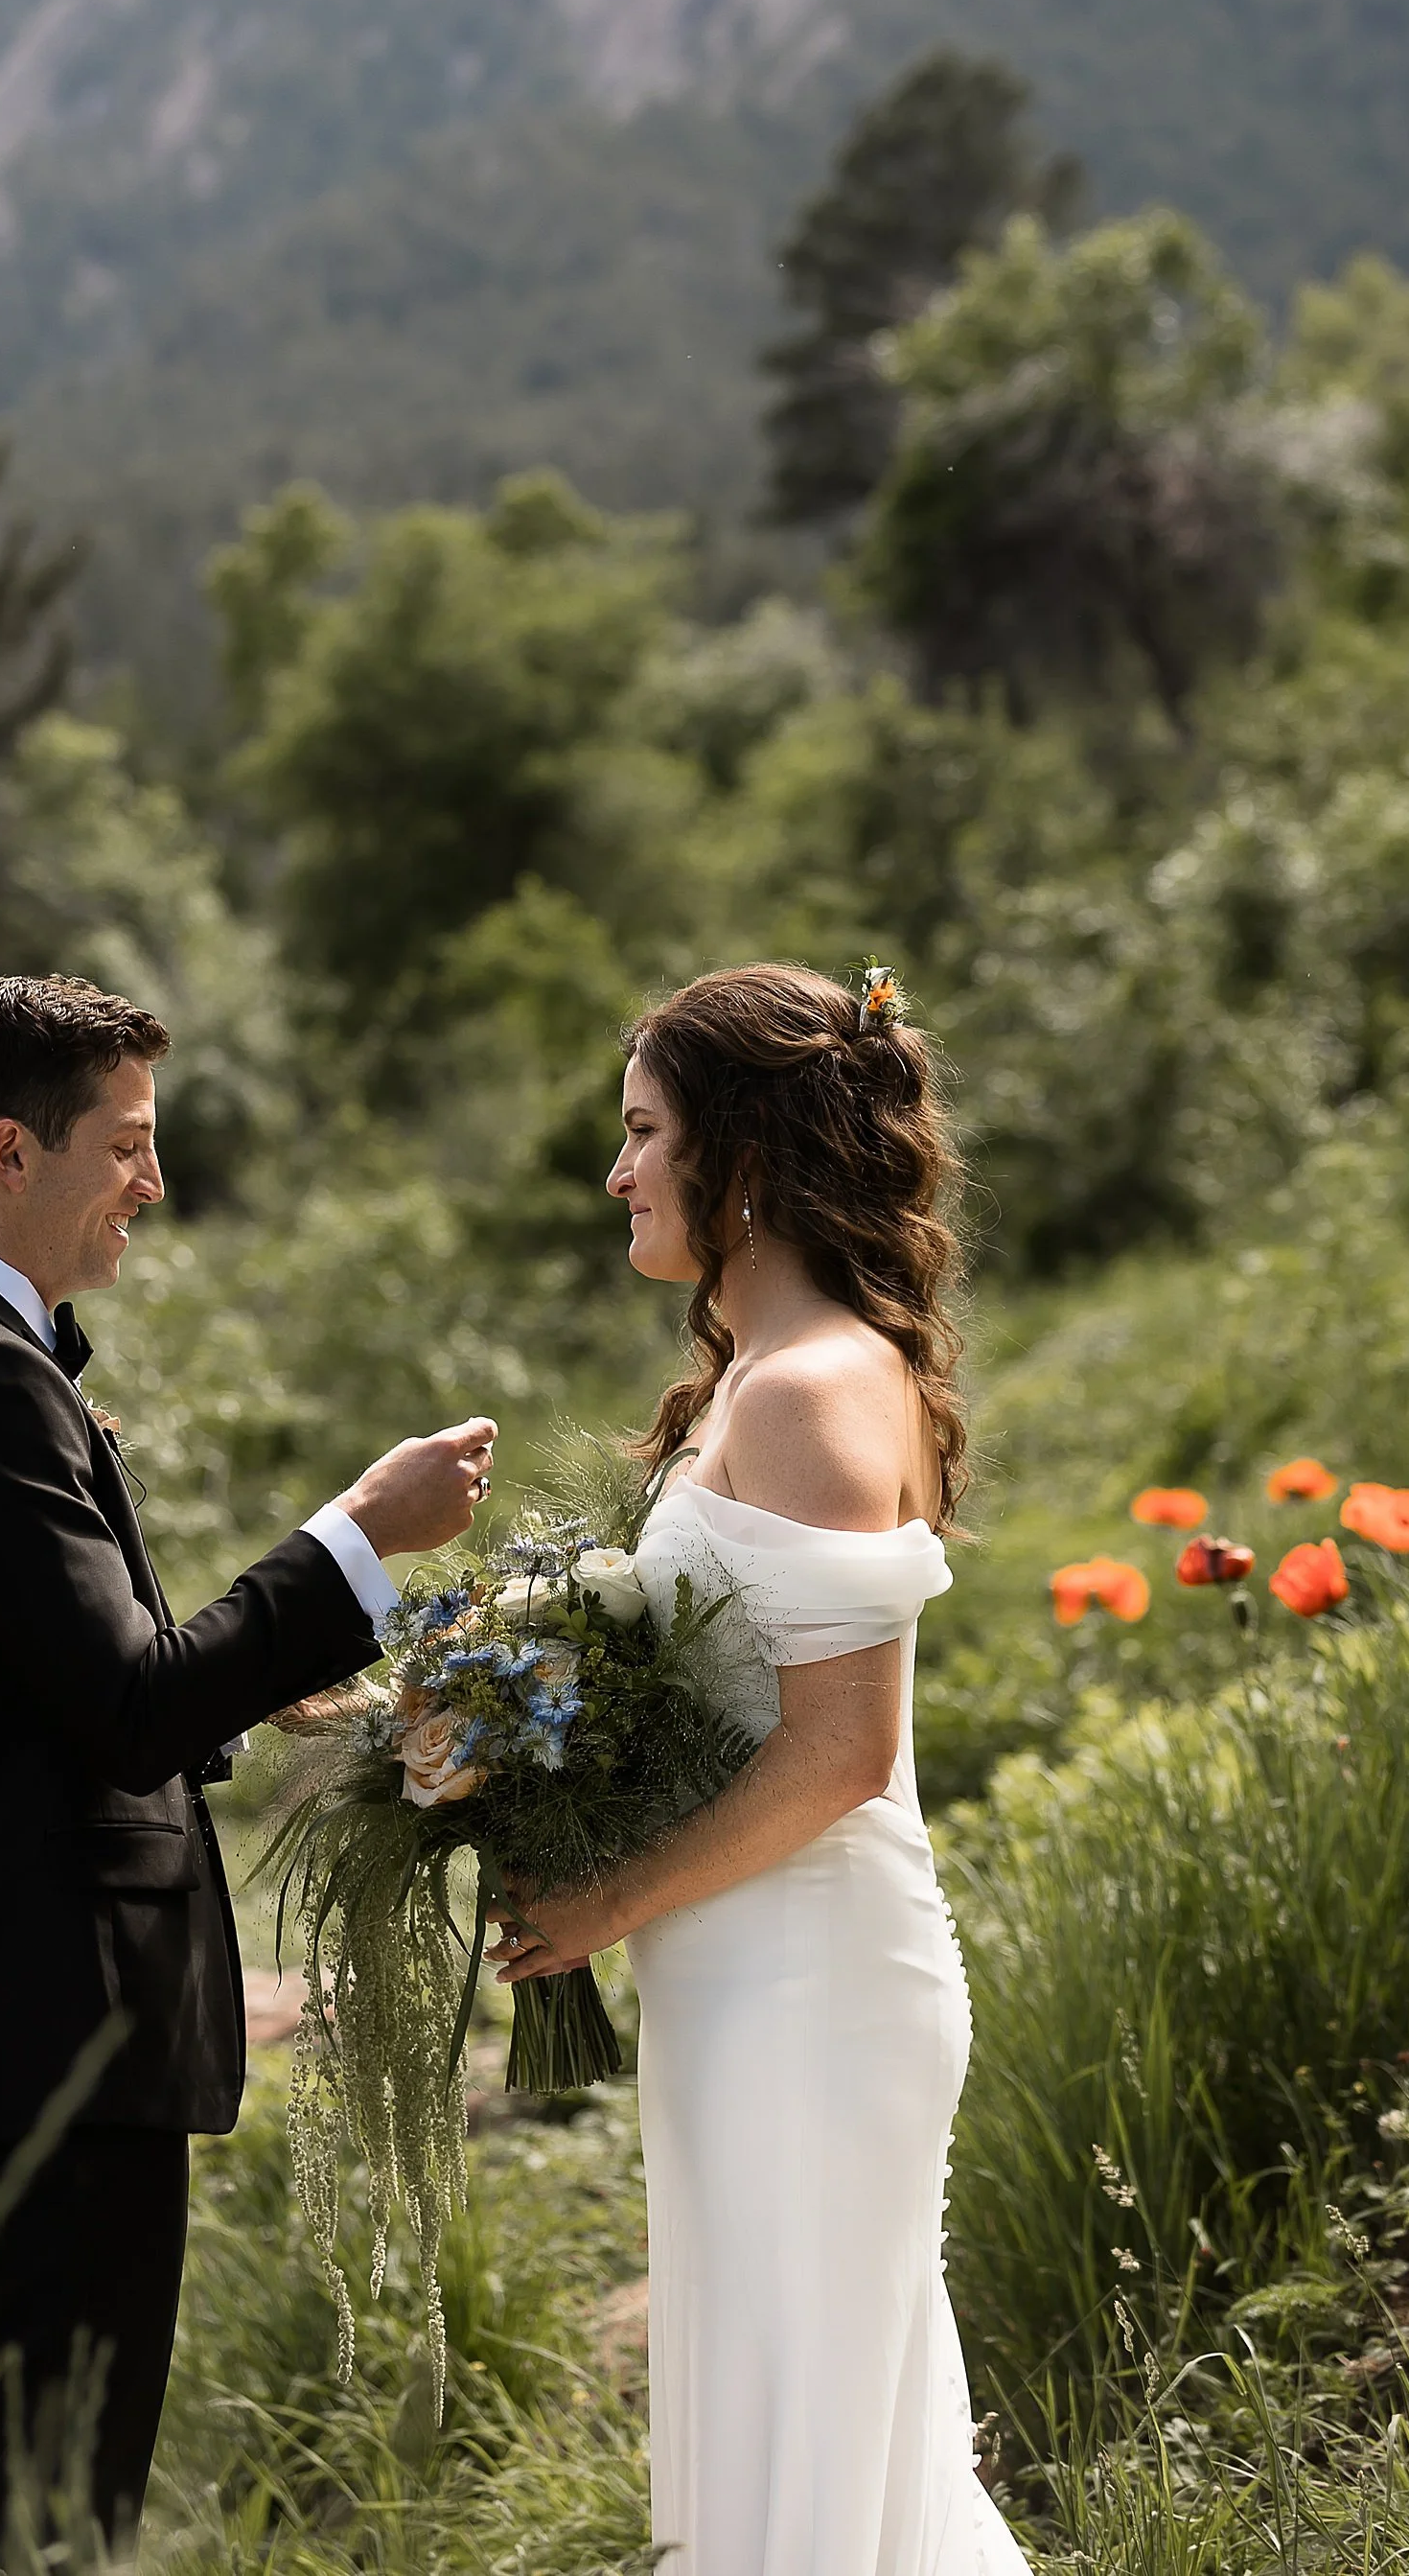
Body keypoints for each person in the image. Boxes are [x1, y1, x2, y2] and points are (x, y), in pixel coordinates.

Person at [0, 973, 495, 2568]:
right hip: (58, 2015)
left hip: (36, 2011)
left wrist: (262, 1709)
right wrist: (357, 1537)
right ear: (8, 1151)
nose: (153, 1182)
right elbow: (126, 1704)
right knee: (54, 2517)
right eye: (125, 1143)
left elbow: (65, 1702)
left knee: (52, 2499)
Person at [489, 963, 1025, 2576]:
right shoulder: (757, 1374)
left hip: (813, 1994)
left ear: (743, 1154)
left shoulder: (807, 1389)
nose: (619, 1169)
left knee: (815, 2463)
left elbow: (844, 1748)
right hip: (744, 1989)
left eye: (646, 1130)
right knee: (794, 2448)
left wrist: (600, 1896)